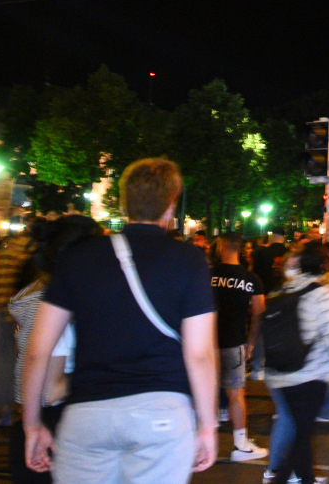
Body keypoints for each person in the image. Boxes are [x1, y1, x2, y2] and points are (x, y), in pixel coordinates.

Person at [22, 158, 218, 482]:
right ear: (170, 206)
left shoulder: (79, 258)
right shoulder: (189, 260)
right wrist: (208, 426)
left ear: (125, 203)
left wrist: (32, 424)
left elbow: (36, 352)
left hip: (86, 415)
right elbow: (199, 355)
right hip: (162, 412)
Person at [7, 214, 101, 484]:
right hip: (54, 430)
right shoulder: (55, 308)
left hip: (38, 424)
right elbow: (51, 390)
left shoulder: (43, 295)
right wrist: (105, 372)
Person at [263, 244, 329, 484]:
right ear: (322, 266)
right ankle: (280, 477)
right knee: (303, 434)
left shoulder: (285, 289)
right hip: (310, 375)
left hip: (280, 374)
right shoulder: (324, 294)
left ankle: (306, 477)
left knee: (300, 429)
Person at [210, 231, 268, 462]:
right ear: (240, 249)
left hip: (207, 343)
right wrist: (251, 343)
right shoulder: (251, 278)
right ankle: (240, 443)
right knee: (235, 395)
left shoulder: (207, 275)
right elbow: (259, 314)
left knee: (203, 391)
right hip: (234, 341)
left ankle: (196, 443)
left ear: (221, 246)